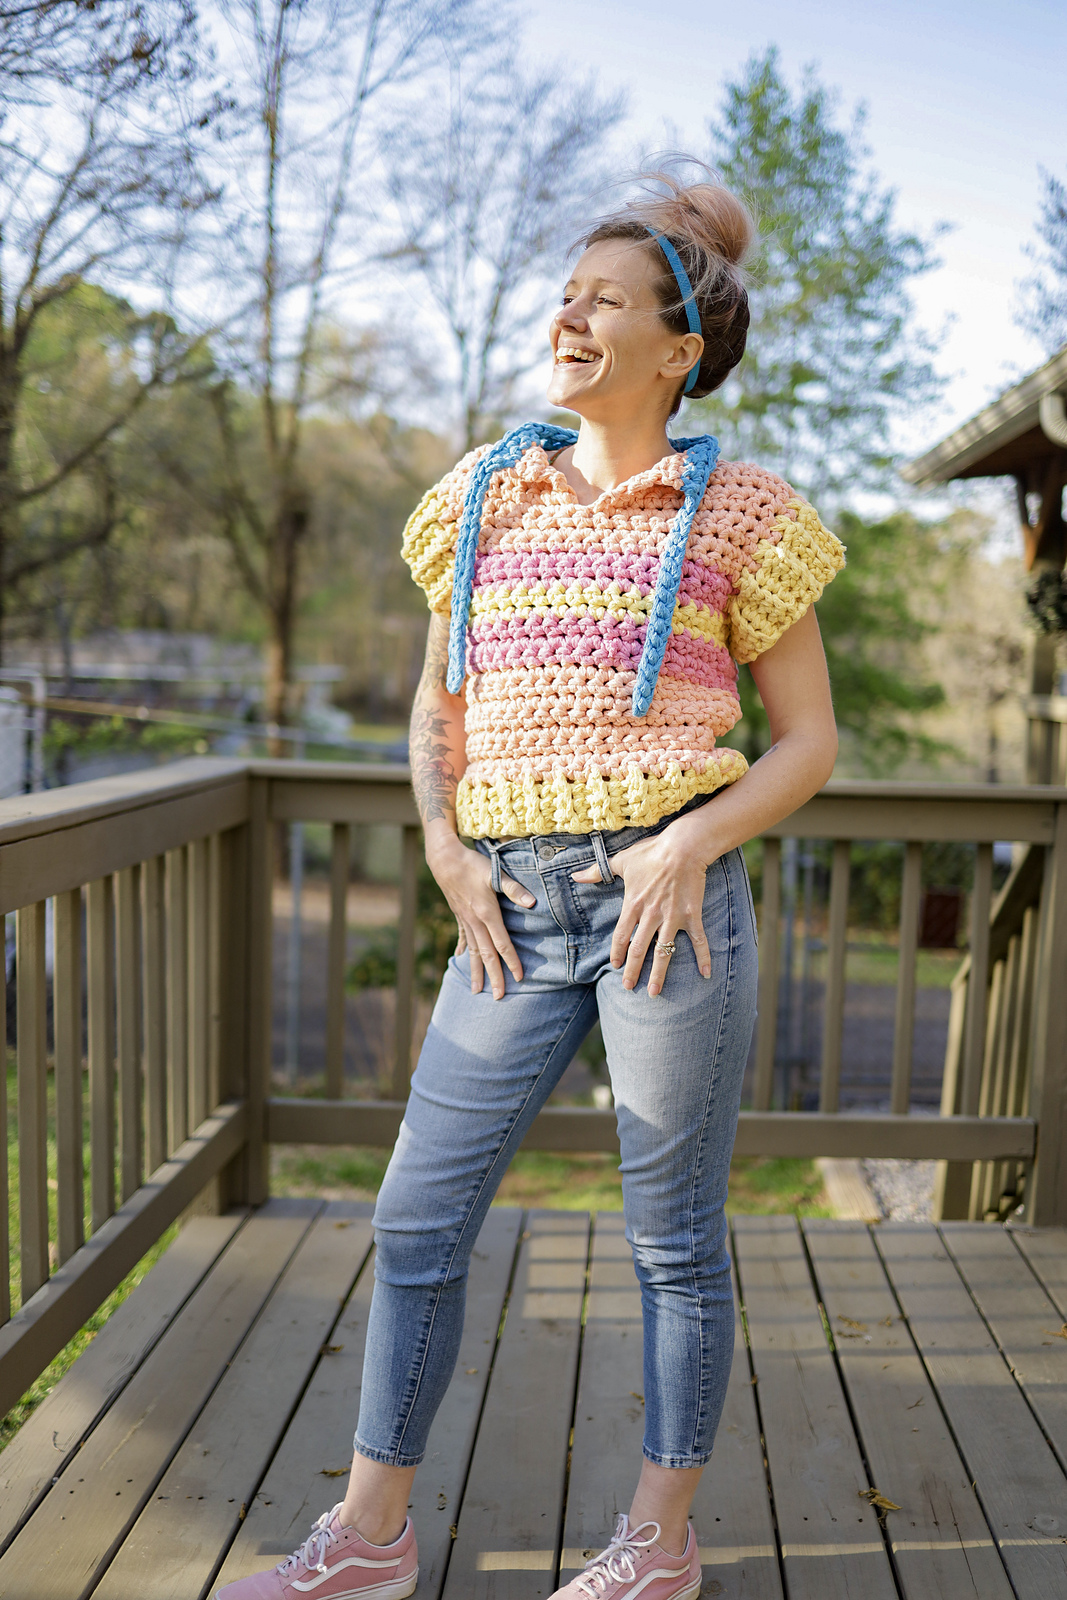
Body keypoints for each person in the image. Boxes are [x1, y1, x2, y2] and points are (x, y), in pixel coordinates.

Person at [217, 168, 843, 1600]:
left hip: (665, 908)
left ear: (677, 351)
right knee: (417, 1216)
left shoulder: (744, 512)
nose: (570, 314)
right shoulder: (481, 493)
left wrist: (690, 842)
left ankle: (661, 1549)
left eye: (605, 300)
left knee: (673, 1242)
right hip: (505, 907)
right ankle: (371, 1540)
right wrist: (444, 853)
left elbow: (808, 742)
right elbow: (436, 710)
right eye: (568, 294)